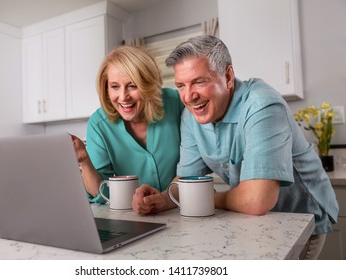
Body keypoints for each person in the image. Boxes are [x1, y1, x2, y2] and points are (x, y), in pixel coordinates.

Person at [133, 35, 339, 260]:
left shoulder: (262, 104)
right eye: (181, 85)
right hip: (258, 219)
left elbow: (257, 200)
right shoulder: (190, 117)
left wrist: (202, 198)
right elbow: (186, 180)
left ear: (228, 76)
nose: (189, 96)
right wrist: (162, 200)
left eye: (199, 82)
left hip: (302, 215)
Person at [72, 45, 184, 204]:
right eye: (115, 86)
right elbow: (100, 191)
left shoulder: (176, 103)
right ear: (106, 88)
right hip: (130, 215)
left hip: (180, 207)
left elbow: (194, 163)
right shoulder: (98, 125)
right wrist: (84, 161)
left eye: (133, 86)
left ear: (148, 85)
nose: (123, 97)